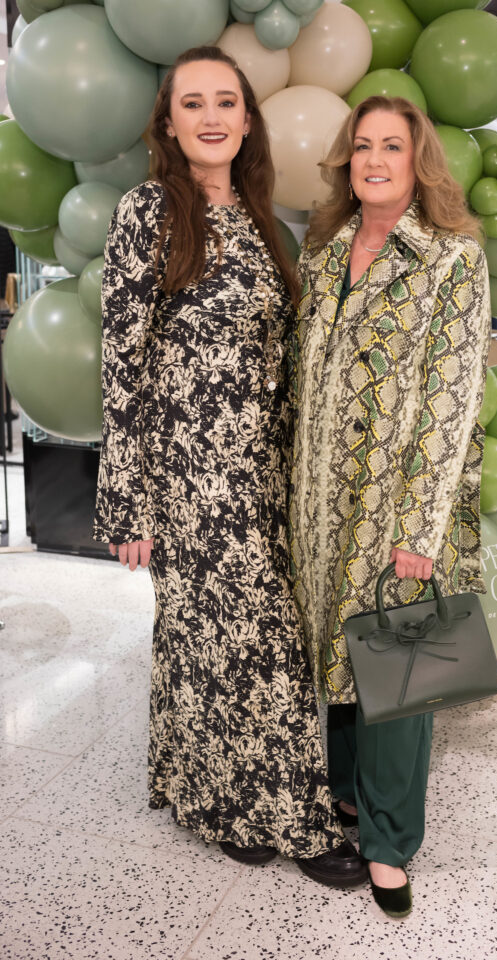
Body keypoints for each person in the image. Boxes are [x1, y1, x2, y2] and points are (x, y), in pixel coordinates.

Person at [93, 45, 366, 889]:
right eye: (191, 103)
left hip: (263, 473)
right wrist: (126, 501)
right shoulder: (147, 212)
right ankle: (299, 821)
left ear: (246, 119)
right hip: (188, 475)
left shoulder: (262, 221)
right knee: (257, 647)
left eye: (225, 101)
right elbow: (122, 359)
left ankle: (220, 805)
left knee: (206, 646)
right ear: (168, 123)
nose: (210, 116)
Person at [290, 96, 490, 917]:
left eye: (391, 147)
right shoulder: (324, 251)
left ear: (418, 162)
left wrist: (419, 528)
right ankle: (345, 796)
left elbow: (452, 399)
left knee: (396, 673)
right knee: (333, 656)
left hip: (396, 503)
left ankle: (389, 844)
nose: (374, 159)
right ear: (346, 160)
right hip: (317, 501)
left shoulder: (450, 260)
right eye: (362, 145)